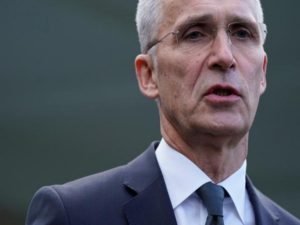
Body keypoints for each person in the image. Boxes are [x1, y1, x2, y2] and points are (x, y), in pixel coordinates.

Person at [26, 0, 300, 224]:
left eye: (242, 33)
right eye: (195, 34)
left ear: (262, 73)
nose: (225, 56)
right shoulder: (75, 215)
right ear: (149, 75)